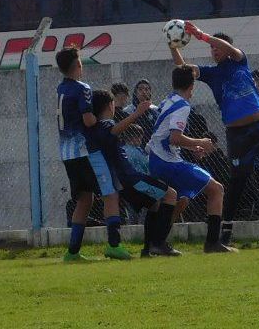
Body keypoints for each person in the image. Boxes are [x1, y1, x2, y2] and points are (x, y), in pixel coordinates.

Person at [171, 22, 259, 246]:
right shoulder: (211, 73)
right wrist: (173, 47)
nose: (214, 51)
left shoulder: (240, 61)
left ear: (227, 48)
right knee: (237, 182)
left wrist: (201, 35)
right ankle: (226, 230)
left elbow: (228, 49)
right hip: (238, 133)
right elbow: (183, 70)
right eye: (212, 49)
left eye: (217, 47)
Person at [147, 65, 235, 253]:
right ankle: (212, 243)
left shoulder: (169, 100)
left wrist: (191, 146)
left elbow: (167, 136)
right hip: (167, 162)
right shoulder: (183, 106)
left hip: (157, 159)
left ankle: (156, 242)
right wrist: (202, 142)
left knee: (181, 199)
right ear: (192, 85)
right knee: (216, 190)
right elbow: (174, 137)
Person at [89, 90, 181, 257]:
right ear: (110, 106)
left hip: (123, 181)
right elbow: (114, 130)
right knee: (170, 195)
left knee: (154, 204)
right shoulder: (105, 125)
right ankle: (159, 244)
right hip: (129, 177)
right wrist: (137, 113)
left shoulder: (94, 128)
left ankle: (147, 249)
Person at [55, 47, 110, 261]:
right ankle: (114, 242)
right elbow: (88, 120)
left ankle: (73, 251)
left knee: (85, 198)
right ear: (78, 64)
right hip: (83, 150)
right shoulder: (82, 88)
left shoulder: (61, 88)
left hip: (66, 153)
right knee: (109, 192)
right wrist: (103, 123)